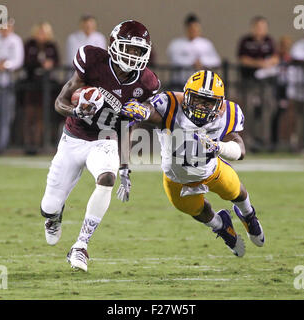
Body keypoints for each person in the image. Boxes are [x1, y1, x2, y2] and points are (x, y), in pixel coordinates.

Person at [40, 20, 160, 272]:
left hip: (106, 139)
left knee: (107, 178)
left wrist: (125, 166)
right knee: (48, 206)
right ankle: (54, 216)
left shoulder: (146, 83)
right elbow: (59, 102)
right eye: (129, 48)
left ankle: (81, 245)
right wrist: (76, 110)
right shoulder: (92, 61)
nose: (133, 55)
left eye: (139, 51)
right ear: (114, 45)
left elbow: (130, 126)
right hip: (74, 138)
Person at [121, 70, 265, 257]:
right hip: (176, 179)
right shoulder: (171, 104)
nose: (202, 107)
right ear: (187, 96)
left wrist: (219, 147)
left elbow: (240, 150)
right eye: (196, 99)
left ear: (219, 103)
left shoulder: (227, 113)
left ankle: (248, 215)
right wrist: (143, 111)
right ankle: (221, 226)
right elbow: (150, 111)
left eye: (208, 102)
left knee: (235, 191)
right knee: (197, 211)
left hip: (211, 170)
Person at [237, 16, 279, 151]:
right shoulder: (246, 41)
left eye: (262, 27)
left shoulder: (269, 41)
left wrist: (267, 64)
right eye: (258, 27)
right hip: (249, 82)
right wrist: (259, 64)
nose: (260, 30)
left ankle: (265, 140)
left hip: (265, 83)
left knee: (269, 107)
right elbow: (243, 59)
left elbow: (275, 58)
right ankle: (249, 141)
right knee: (248, 110)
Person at [23, 22, 60, 154]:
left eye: (44, 32)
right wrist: (39, 63)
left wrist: (50, 64)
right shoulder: (29, 45)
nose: (42, 35)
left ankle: (39, 144)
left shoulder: (51, 46)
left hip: (46, 85)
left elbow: (57, 61)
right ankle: (28, 144)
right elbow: (26, 61)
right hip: (31, 84)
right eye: (40, 32)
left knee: (41, 115)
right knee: (29, 114)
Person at [0, 18, 24, 153]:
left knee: (6, 115)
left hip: (7, 83)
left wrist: (5, 65)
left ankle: (1, 146)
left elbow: (17, 60)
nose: (5, 30)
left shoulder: (15, 40)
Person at [166, 13, 221, 90]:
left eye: (196, 28)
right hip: (181, 82)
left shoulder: (206, 44)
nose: (194, 30)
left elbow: (216, 60)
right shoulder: (176, 44)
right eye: (191, 28)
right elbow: (174, 59)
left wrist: (202, 62)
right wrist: (192, 62)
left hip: (201, 84)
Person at [287, 25, 304, 152]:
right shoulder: (300, 46)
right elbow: (296, 60)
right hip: (298, 89)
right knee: (297, 117)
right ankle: (295, 144)